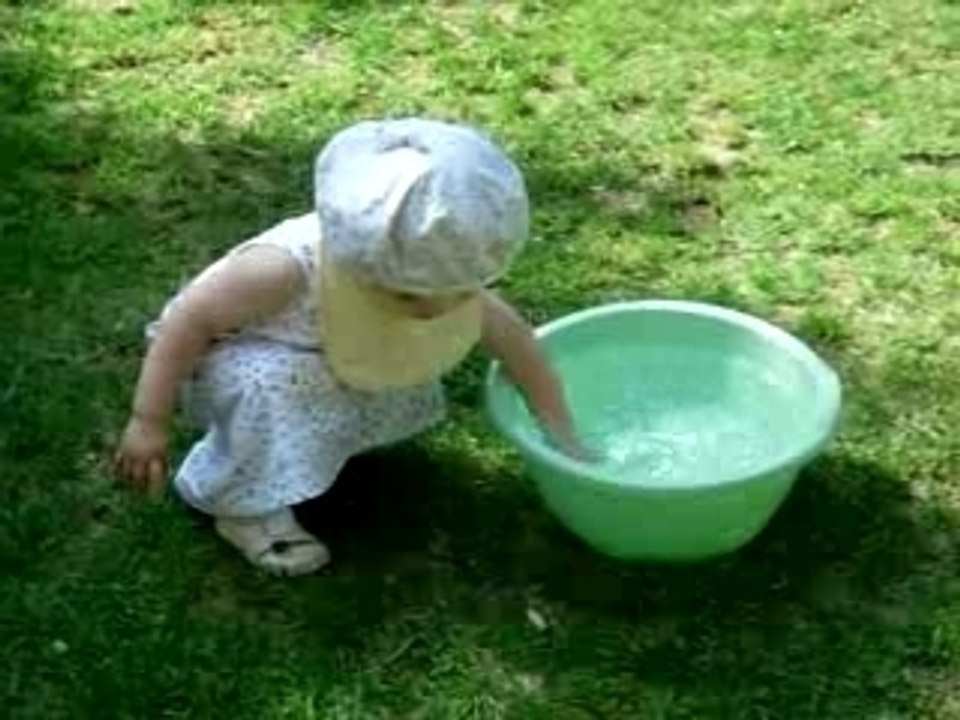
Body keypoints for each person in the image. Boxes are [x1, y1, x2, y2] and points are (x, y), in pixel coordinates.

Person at [115, 118, 585, 576]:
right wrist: (148, 419)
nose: (434, 308)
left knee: (343, 372)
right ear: (356, 260)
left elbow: (519, 345)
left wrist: (562, 435)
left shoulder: (442, 269)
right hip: (246, 363)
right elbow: (187, 322)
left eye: (460, 291)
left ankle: (317, 447)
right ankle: (244, 508)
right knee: (268, 384)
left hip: (331, 363)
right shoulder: (281, 270)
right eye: (406, 294)